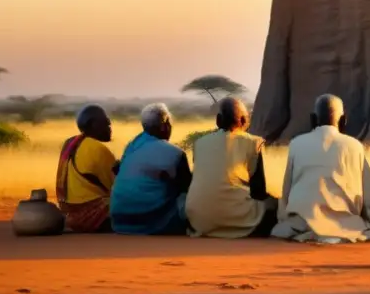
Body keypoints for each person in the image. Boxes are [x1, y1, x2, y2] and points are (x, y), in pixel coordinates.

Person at [271, 94, 370, 244]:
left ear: (313, 119)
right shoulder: (355, 146)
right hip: (346, 224)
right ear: (343, 121)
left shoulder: (296, 143)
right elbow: (369, 196)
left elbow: (286, 192)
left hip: (302, 223)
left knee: (286, 226)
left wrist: (283, 218)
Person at [185, 97, 277, 238]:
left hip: (199, 220)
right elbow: (259, 190)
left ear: (218, 120)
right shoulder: (254, 143)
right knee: (274, 208)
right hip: (237, 217)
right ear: (244, 121)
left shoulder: (199, 143)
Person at [110, 103, 192, 236]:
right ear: (164, 125)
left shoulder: (131, 147)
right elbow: (187, 188)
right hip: (153, 224)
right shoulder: (175, 153)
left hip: (120, 222)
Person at [56, 104, 117, 233]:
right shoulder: (97, 148)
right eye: (105, 122)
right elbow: (115, 186)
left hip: (68, 213)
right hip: (91, 214)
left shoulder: (70, 143)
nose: (109, 124)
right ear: (92, 124)